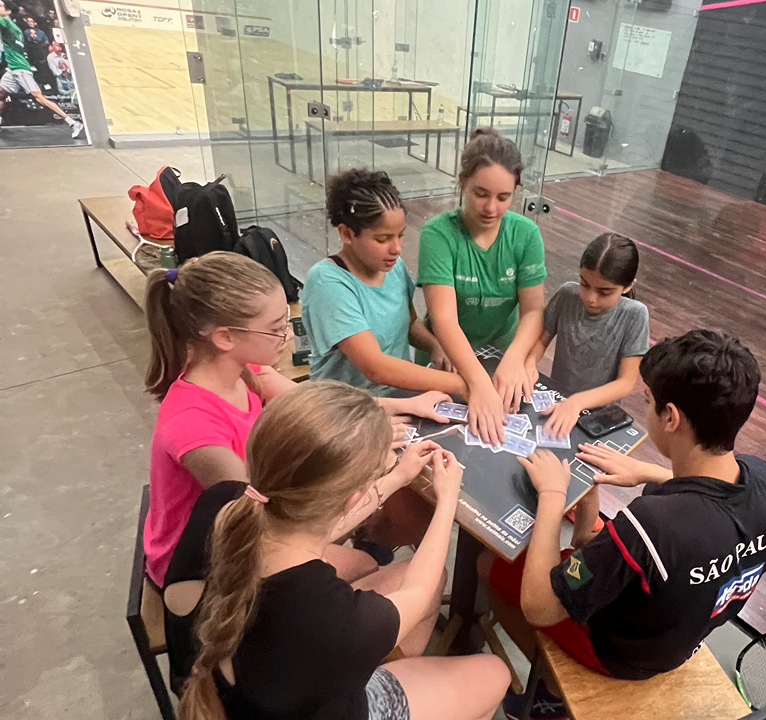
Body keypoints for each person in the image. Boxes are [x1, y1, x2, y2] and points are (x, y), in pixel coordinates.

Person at [492, 331, 766, 719]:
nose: (646, 409)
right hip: (681, 634)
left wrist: (551, 495)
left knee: (495, 568)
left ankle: (548, 693)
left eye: (648, 401)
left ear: (671, 417)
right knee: (595, 541)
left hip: (623, 653)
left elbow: (539, 607)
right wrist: (649, 471)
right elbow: (719, 504)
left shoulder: (653, 525)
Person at [176, 381, 510, 720]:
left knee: (386, 574)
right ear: (353, 497)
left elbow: (302, 523)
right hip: (330, 707)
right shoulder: (334, 619)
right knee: (495, 673)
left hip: (249, 697)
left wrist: (396, 478)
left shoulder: (226, 504)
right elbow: (417, 593)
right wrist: (447, 500)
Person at [143, 252, 447, 587]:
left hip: (251, 522)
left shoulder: (243, 369)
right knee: (378, 566)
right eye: (276, 328)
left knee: (365, 556)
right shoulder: (194, 426)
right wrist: (387, 472)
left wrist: (407, 405)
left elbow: (315, 404)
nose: (289, 335)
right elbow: (271, 531)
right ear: (225, 336)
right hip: (209, 567)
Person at [418, 128, 547, 446]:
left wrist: (514, 360)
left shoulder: (526, 234)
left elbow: (533, 310)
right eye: (481, 194)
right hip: (448, 359)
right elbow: (444, 319)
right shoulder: (438, 234)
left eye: (503, 197)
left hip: (501, 356)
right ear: (462, 182)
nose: (491, 207)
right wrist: (478, 383)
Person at [524, 232, 649, 546]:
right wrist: (528, 363)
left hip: (597, 418)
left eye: (604, 292)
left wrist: (577, 402)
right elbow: (541, 339)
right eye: (584, 284)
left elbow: (626, 382)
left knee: (588, 482)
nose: (591, 298)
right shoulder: (568, 295)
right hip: (556, 403)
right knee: (547, 462)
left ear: (628, 285)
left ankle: (581, 539)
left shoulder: (635, 315)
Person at [302, 169, 465, 398]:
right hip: (348, 406)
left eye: (400, 235)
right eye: (382, 239)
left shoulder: (393, 267)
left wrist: (435, 345)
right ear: (347, 234)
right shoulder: (327, 283)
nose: (396, 248)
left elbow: (409, 323)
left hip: (400, 393)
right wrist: (460, 384)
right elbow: (375, 367)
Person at [0, 4, 82, 137]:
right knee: (1, 94)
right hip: (12, 70)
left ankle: (73, 122)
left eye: (0, 5)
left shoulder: (5, 23)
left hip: (21, 70)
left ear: (7, 11)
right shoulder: (16, 28)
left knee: (40, 98)